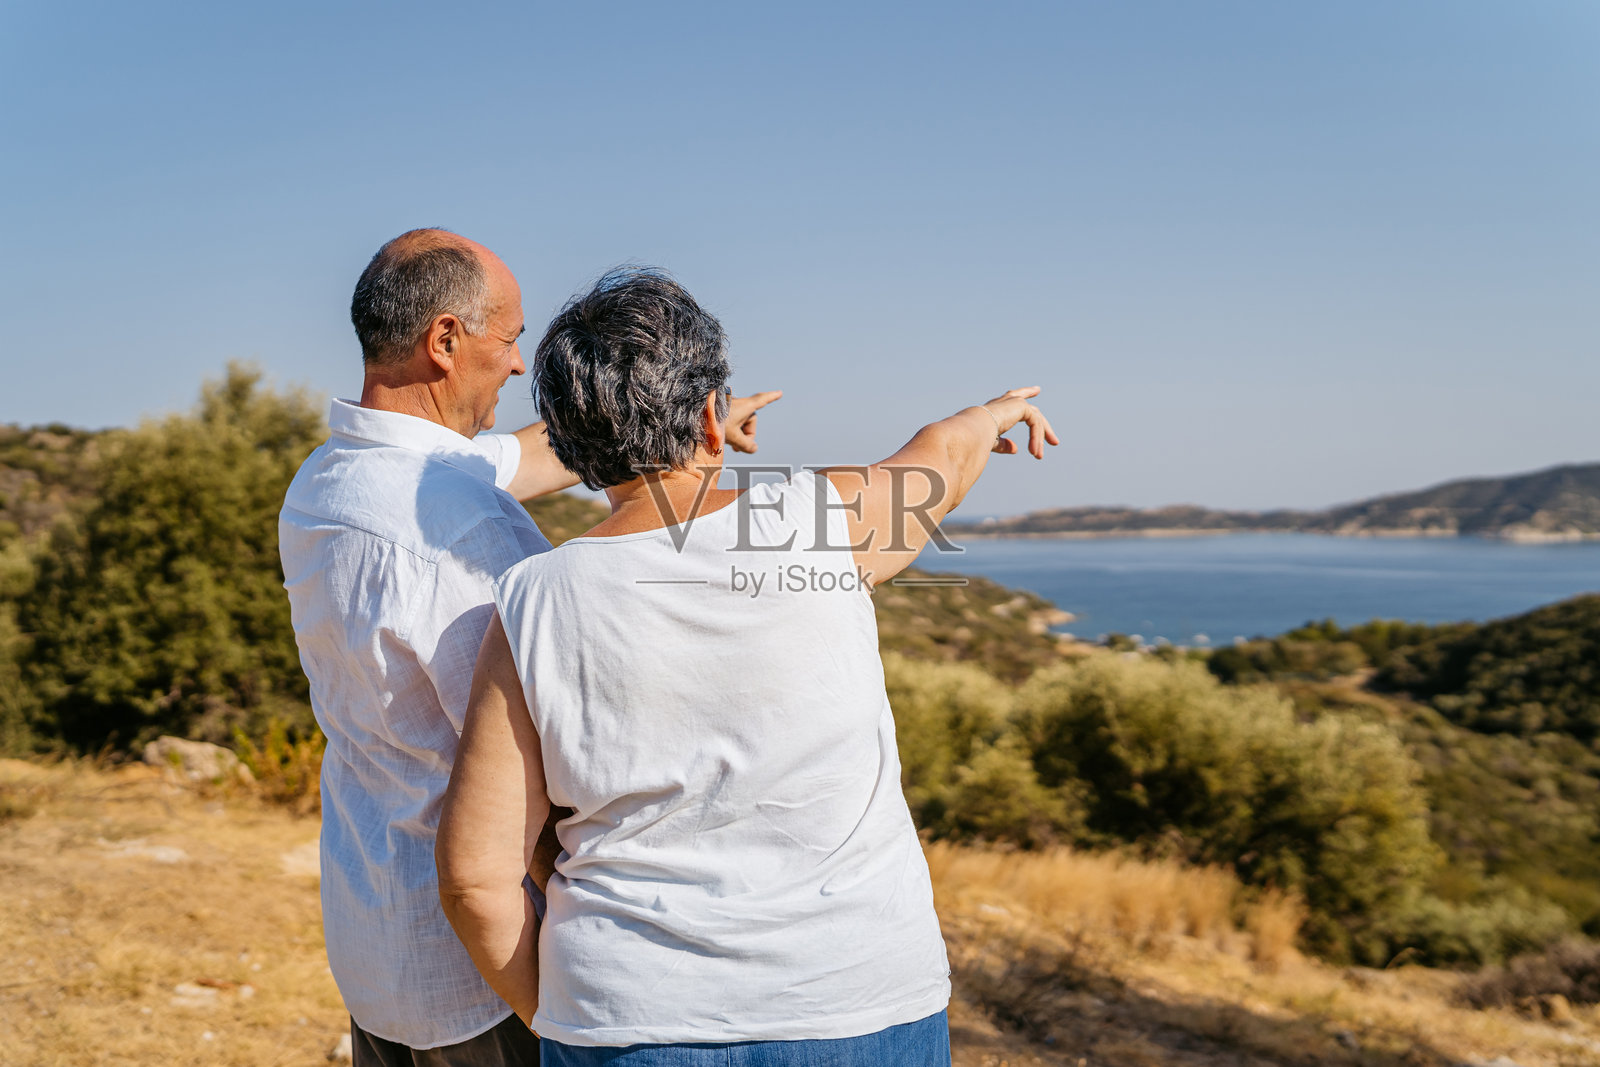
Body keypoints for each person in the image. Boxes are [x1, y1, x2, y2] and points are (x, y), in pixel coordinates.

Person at [435, 267, 1057, 1065]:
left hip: (629, 1020)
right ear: (710, 417)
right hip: (856, 1001)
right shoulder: (820, 521)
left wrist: (565, 1015)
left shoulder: (532, 601)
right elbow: (941, 459)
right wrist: (991, 413)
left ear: (568, 442)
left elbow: (475, 879)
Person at [280, 233, 779, 1066]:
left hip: (378, 936)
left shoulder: (330, 478)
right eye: (509, 338)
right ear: (445, 339)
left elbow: (523, 456)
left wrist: (673, 422)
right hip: (491, 971)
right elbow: (554, 754)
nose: (517, 363)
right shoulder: (463, 525)